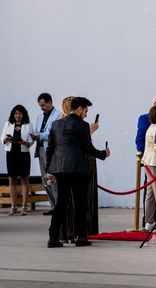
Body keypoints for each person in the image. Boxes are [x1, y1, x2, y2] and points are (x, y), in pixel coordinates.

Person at [46, 97, 110, 247]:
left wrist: (50, 169)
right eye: (86, 111)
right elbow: (87, 148)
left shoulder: (56, 124)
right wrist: (103, 154)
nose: (86, 115)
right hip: (78, 169)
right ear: (79, 109)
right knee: (81, 203)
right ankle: (81, 237)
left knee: (60, 203)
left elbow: (50, 149)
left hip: (60, 170)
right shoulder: (82, 125)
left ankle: (53, 237)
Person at [60, 96, 100, 242]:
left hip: (64, 167)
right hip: (79, 165)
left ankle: (66, 234)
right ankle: (79, 233)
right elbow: (82, 144)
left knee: (66, 202)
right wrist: (91, 131)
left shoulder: (60, 123)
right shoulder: (79, 125)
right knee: (79, 201)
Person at [32, 93, 62, 214]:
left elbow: (54, 133)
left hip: (51, 150)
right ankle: (52, 205)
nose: (41, 108)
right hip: (40, 149)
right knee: (45, 179)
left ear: (50, 102)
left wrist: (39, 135)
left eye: (43, 105)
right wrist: (33, 135)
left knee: (52, 178)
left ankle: (58, 206)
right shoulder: (39, 116)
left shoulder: (58, 115)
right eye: (40, 105)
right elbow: (37, 131)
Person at [2, 105, 34, 216]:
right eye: (15, 114)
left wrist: (24, 142)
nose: (18, 116)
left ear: (23, 114)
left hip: (23, 154)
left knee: (24, 179)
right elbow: (2, 137)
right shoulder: (8, 124)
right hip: (11, 153)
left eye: (20, 113)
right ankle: (13, 206)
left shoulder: (28, 125)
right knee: (12, 179)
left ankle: (24, 206)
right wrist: (5, 139)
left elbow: (31, 140)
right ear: (13, 114)